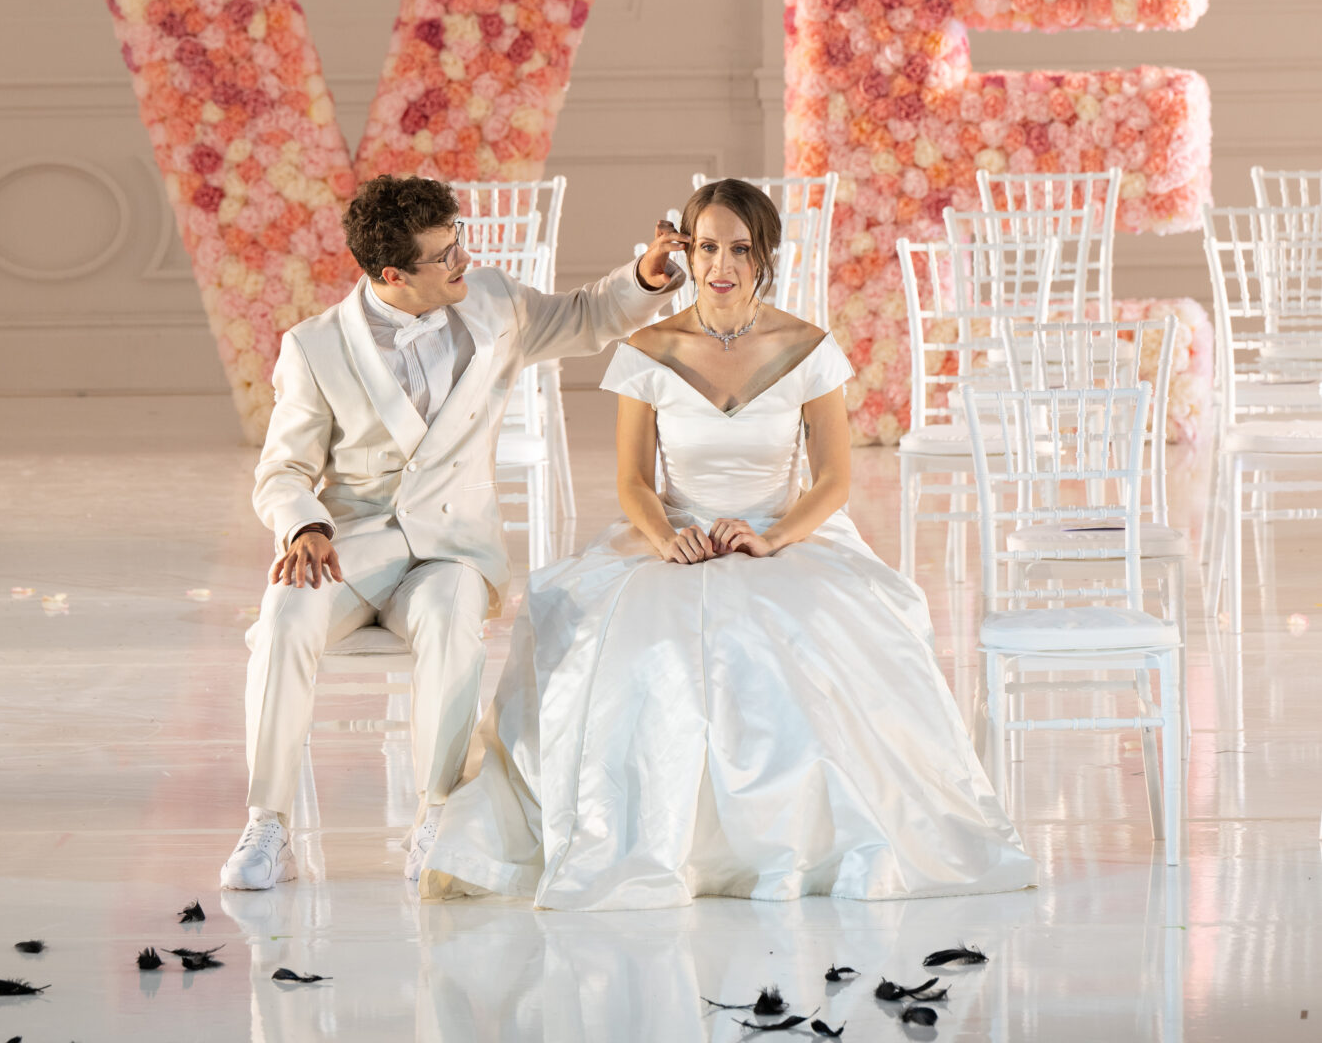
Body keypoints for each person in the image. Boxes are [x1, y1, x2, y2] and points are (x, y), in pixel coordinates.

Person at [422, 177, 1036, 909]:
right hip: (671, 535)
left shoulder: (806, 347)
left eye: (739, 250)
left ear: (763, 256)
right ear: (685, 249)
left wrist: (773, 537)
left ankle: (795, 842)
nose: (722, 265)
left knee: (819, 638)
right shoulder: (647, 349)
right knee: (624, 648)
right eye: (707, 246)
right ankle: (657, 846)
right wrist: (665, 540)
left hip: (782, 532)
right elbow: (631, 482)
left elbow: (833, 480)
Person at [221, 173, 684, 891]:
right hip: (350, 546)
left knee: (450, 624)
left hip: (454, 551)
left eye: (458, 240)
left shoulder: (495, 304)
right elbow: (281, 469)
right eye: (444, 254)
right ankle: (267, 824)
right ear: (391, 275)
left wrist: (646, 278)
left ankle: (436, 814)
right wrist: (303, 526)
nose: (462, 258)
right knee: (282, 619)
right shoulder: (312, 347)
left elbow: (585, 317)